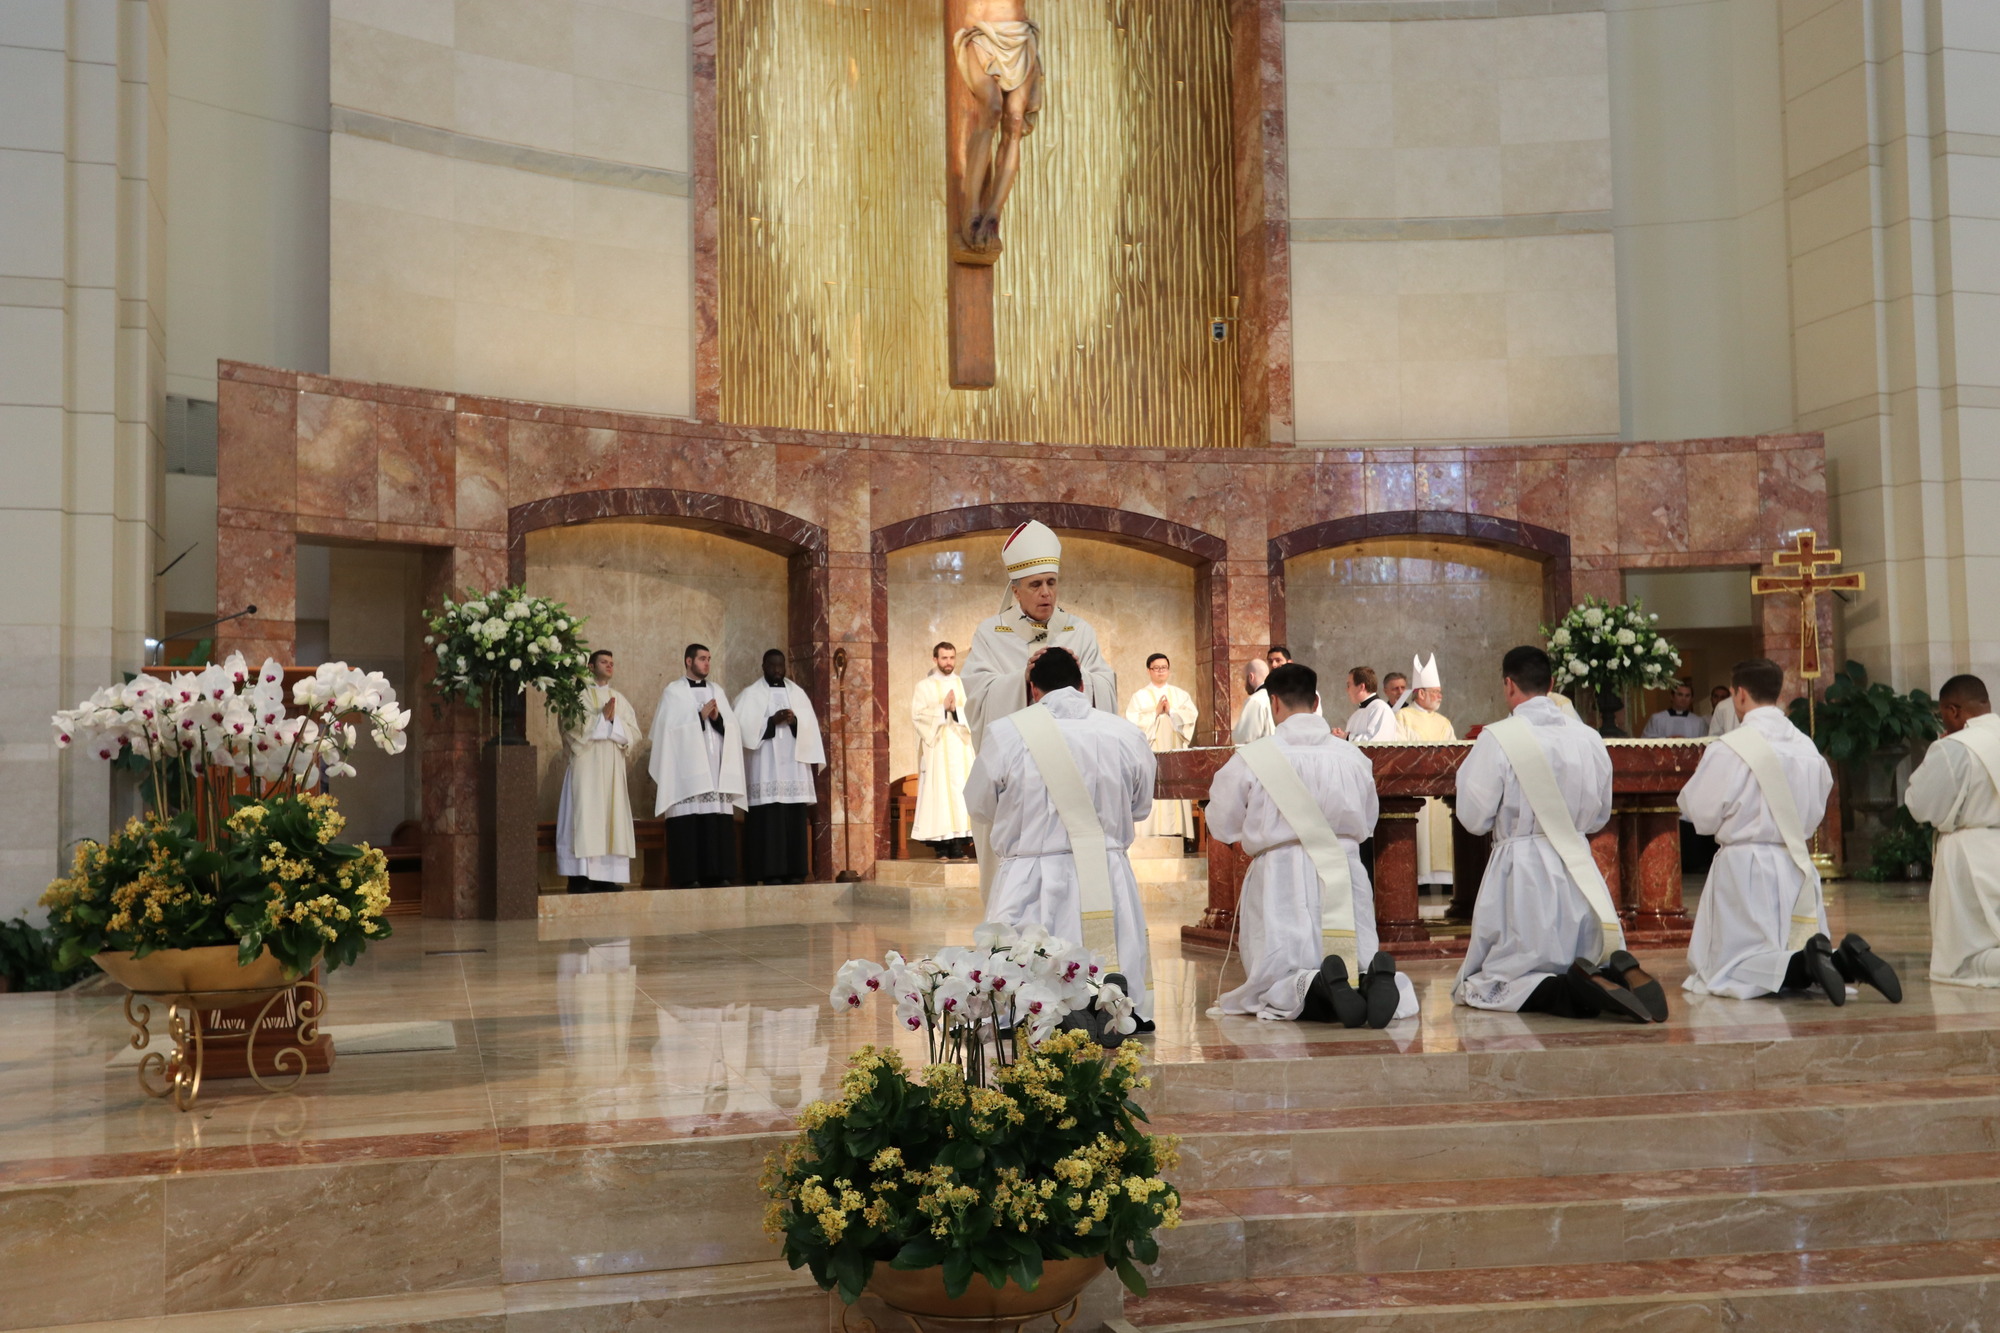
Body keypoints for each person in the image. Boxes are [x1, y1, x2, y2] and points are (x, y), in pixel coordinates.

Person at [1453, 646, 1665, 1023]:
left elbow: (1473, 817)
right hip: (1577, 865)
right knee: (1580, 952)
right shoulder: (1588, 737)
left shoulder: (1497, 738)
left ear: (1508, 685)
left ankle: (1572, 989)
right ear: (1551, 684)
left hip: (1521, 872)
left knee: (1499, 980)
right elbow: (1599, 815)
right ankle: (1610, 973)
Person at [1206, 664, 1417, 1027]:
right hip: (1343, 867)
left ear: (1274, 703)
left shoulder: (1253, 758)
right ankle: (1370, 982)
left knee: (1278, 976)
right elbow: (1368, 822)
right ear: (1316, 702)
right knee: (1352, 955)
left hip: (1280, 873)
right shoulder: (1352, 756)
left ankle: (1319, 987)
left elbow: (1221, 823)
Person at [1679, 657, 1899, 1005]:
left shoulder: (1730, 747)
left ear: (1739, 694)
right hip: (1794, 861)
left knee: (1729, 966)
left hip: (1745, 866)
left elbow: (1699, 814)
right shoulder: (1805, 746)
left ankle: (1810, 965)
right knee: (1790, 943)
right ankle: (1844, 961)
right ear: (1778, 692)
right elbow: (1818, 807)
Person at [964, 647, 1157, 1026]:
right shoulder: (1125, 733)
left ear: (1033, 689)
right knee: (1109, 964)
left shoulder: (1006, 732)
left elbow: (980, 805)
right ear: (1082, 685)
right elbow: (1140, 806)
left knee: (1026, 977)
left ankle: (1024, 1018)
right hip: (1106, 871)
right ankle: (1115, 1015)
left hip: (1030, 876)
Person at [959, 521, 1117, 748]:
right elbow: (979, 695)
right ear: (1016, 592)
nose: (1046, 592)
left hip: (1075, 746)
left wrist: (1075, 672)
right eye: (1035, 584)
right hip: (1020, 750)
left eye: (1051, 583)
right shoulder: (991, 633)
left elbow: (1106, 687)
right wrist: (1022, 679)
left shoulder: (1079, 630)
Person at [1910, 674, 2000, 988]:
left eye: (1944, 715)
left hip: (1968, 855)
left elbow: (1920, 805)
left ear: (1953, 710)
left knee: (1962, 958)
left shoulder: (1955, 748)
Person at [649, 643, 746, 887]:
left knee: (715, 819)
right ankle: (688, 876)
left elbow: (732, 727)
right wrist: (698, 718)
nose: (707, 663)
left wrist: (717, 718)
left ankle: (718, 873)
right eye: (702, 658)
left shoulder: (717, 691)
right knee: (689, 821)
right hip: (686, 773)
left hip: (715, 770)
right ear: (688, 661)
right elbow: (667, 732)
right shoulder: (674, 692)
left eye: (709, 659)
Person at [733, 649, 825, 885]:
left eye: (780, 666)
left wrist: (794, 722)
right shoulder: (750, 695)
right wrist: (771, 722)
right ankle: (769, 872)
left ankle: (795, 871)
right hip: (764, 768)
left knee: (794, 819)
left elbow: (810, 729)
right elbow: (742, 731)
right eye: (772, 665)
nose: (777, 670)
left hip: (793, 768)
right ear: (763, 666)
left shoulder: (797, 694)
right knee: (768, 821)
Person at [558, 649, 640, 893]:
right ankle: (579, 877)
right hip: (586, 768)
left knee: (610, 819)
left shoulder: (619, 699)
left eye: (612, 662)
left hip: (612, 768)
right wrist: (601, 719)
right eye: (604, 662)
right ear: (591, 667)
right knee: (584, 816)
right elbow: (570, 728)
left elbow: (634, 733)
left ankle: (605, 877)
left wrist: (612, 721)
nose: (609, 665)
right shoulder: (577, 696)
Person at [911, 641, 976, 860]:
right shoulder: (924, 686)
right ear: (935, 659)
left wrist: (956, 710)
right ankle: (941, 846)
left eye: (951, 658)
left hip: (960, 748)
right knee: (939, 794)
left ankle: (958, 844)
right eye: (944, 658)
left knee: (960, 795)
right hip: (937, 749)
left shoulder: (963, 684)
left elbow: (973, 712)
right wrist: (942, 709)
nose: (949, 662)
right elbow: (917, 715)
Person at [1398, 654, 1457, 889]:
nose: (1440, 696)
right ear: (1420, 693)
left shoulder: (1444, 722)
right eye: (1435, 692)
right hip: (1417, 789)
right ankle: (1420, 879)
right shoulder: (1402, 717)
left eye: (1440, 692)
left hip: (1440, 790)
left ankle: (1444, 880)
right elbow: (1399, 753)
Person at [1126, 653, 1198, 843]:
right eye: (1156, 668)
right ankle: (1149, 832)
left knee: (1174, 785)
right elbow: (1133, 722)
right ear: (1149, 670)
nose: (1160, 671)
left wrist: (1171, 712)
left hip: (1174, 754)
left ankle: (1177, 832)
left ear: (1169, 670)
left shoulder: (1180, 695)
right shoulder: (1139, 697)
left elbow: (1191, 716)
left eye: (1163, 668)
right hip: (1150, 753)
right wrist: (1155, 713)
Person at [1338, 667, 1401, 743]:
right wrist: (1339, 737)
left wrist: (1347, 737)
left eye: (1349, 685)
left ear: (1361, 687)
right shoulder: (1355, 715)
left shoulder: (1381, 709)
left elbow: (1378, 743)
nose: (1347, 690)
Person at [1643, 681, 1707, 739]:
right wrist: (1668, 739)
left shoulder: (1699, 722)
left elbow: (1705, 743)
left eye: (1687, 696)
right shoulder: (1656, 719)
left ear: (1691, 699)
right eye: (1680, 695)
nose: (1683, 699)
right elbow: (1646, 742)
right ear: (1672, 697)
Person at [1233, 657, 1274, 744]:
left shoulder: (1255, 700)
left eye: (1244, 679)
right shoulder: (1277, 697)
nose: (1244, 684)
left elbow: (1245, 738)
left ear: (1251, 677)